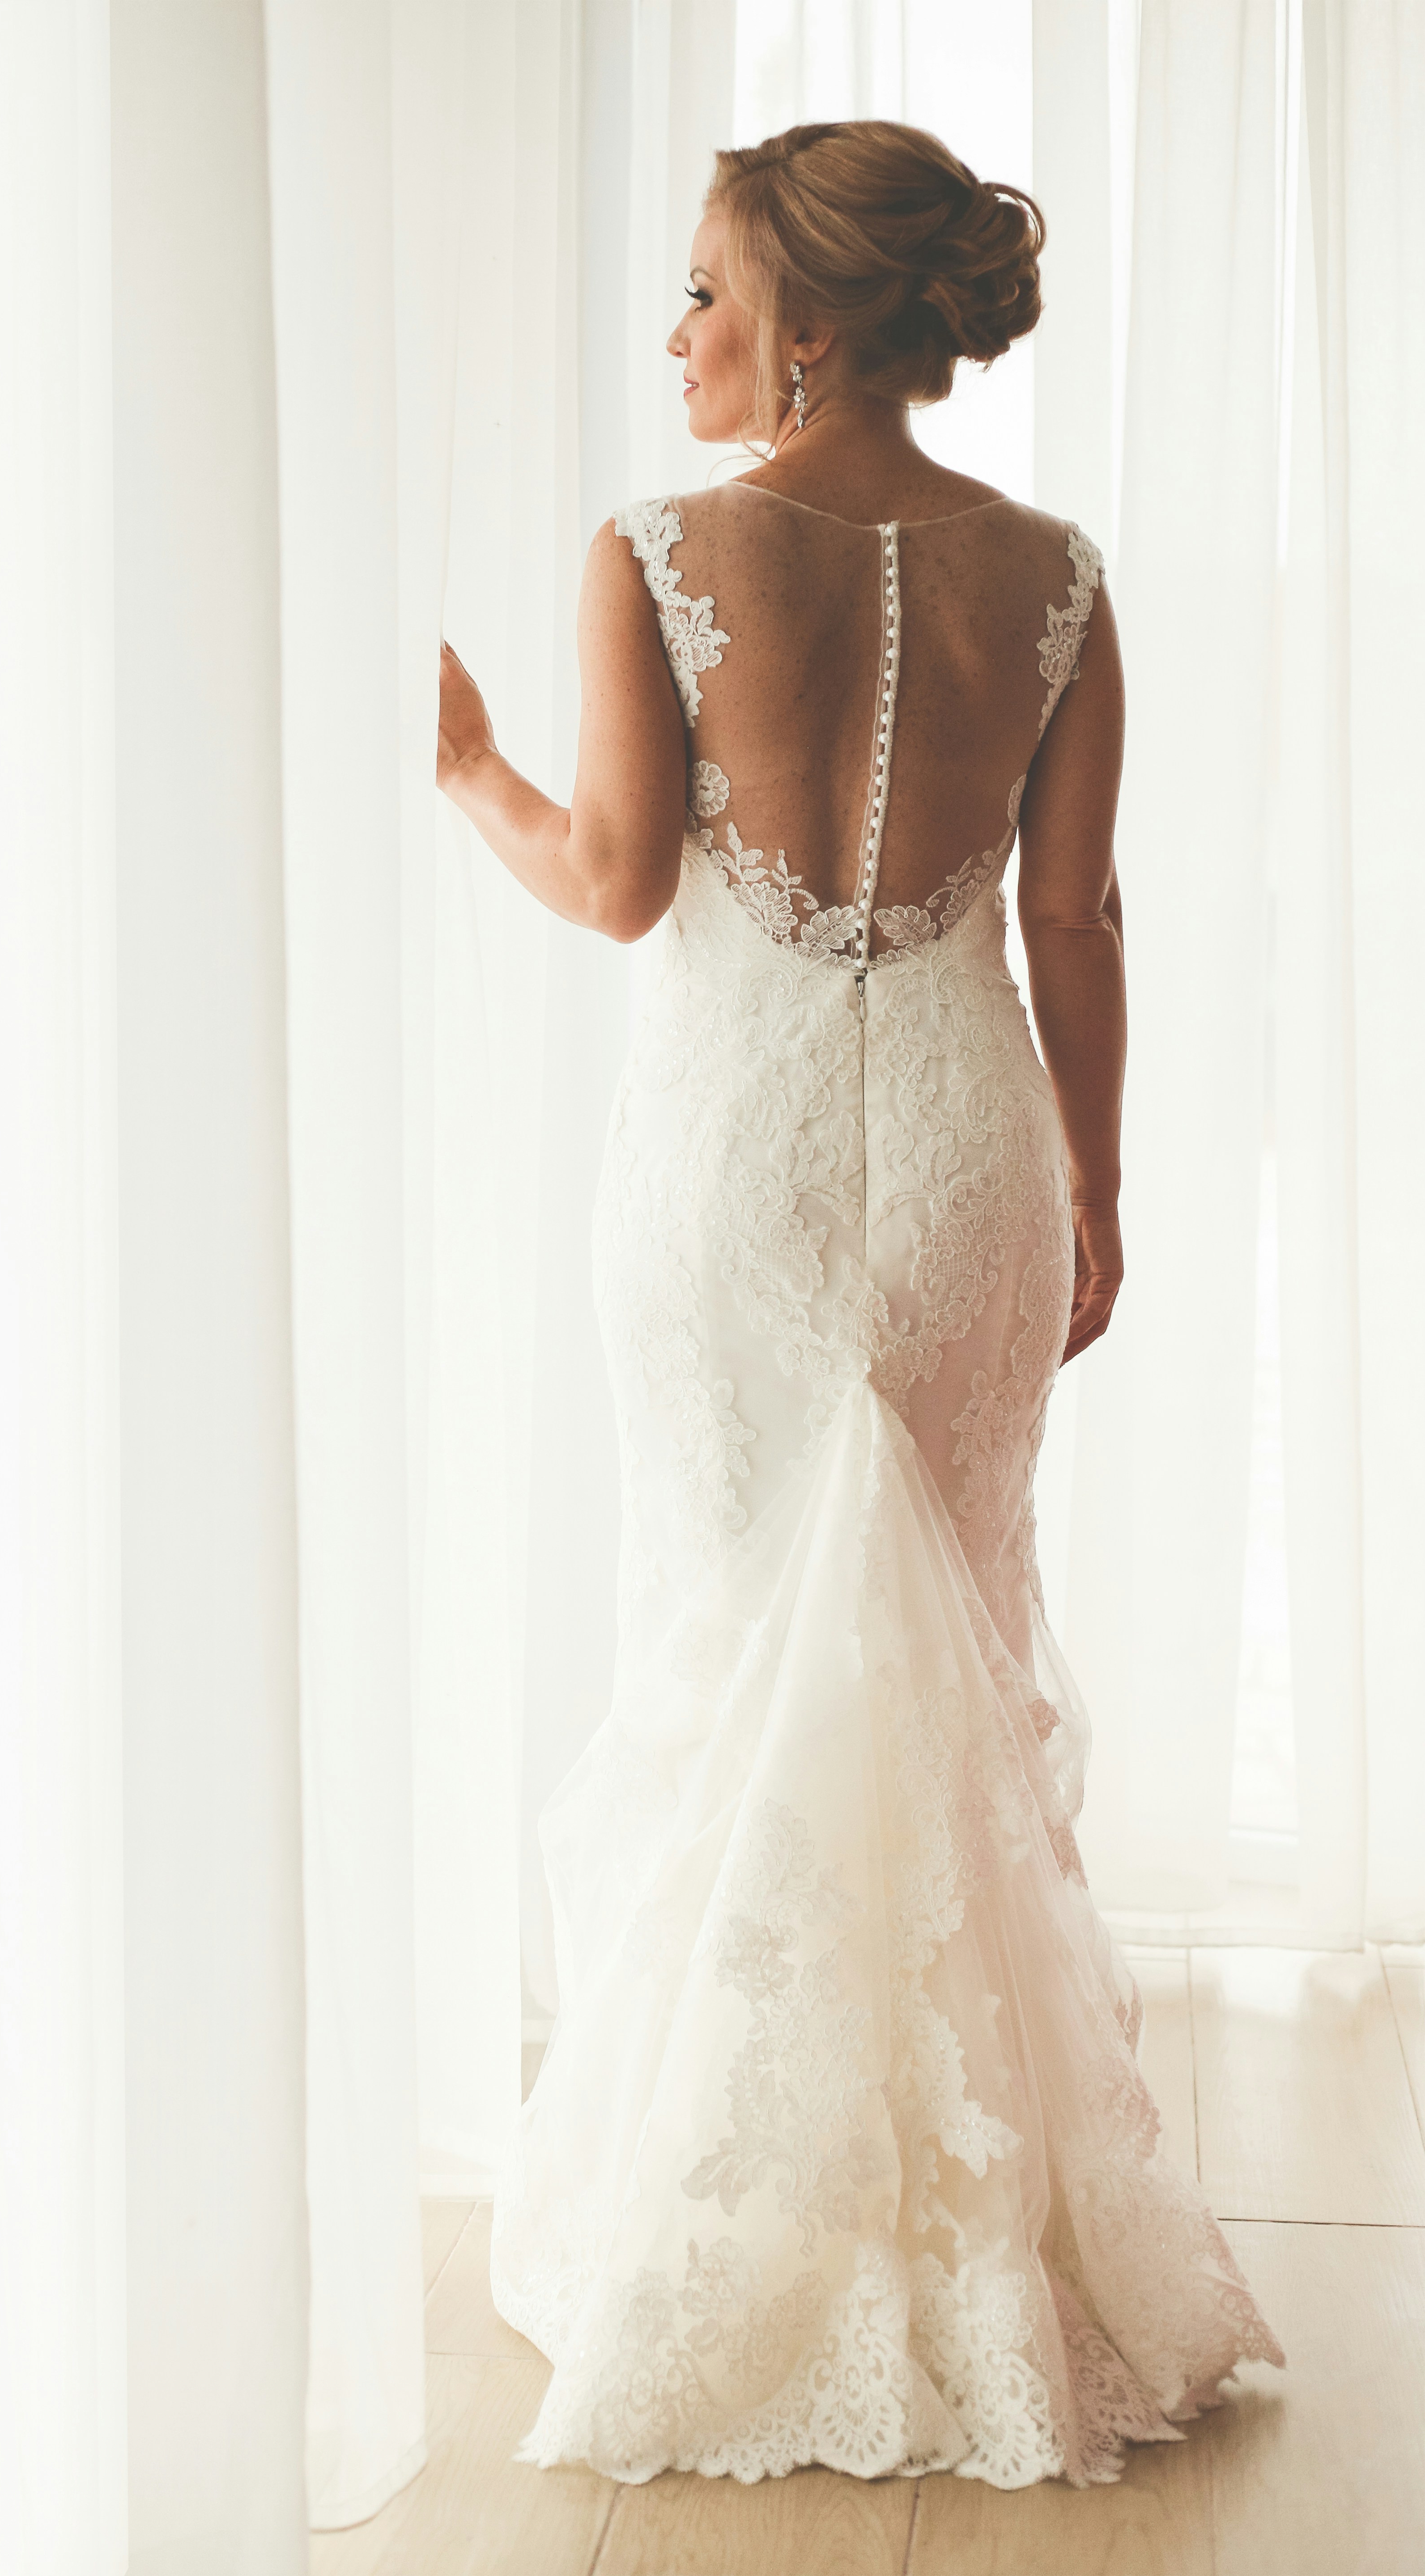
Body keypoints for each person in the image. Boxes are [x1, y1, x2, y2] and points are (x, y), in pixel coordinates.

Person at [435, 119, 1283, 2492]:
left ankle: (722, 2235)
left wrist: (465, 762)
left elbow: (618, 887)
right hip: (975, 1166)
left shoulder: (655, 553)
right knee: (947, 1651)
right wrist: (1101, 1192)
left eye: (705, 295)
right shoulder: (1059, 573)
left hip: (738, 1175)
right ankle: (993, 2239)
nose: (681, 339)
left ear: (809, 322)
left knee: (731, 1654)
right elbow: (1080, 927)